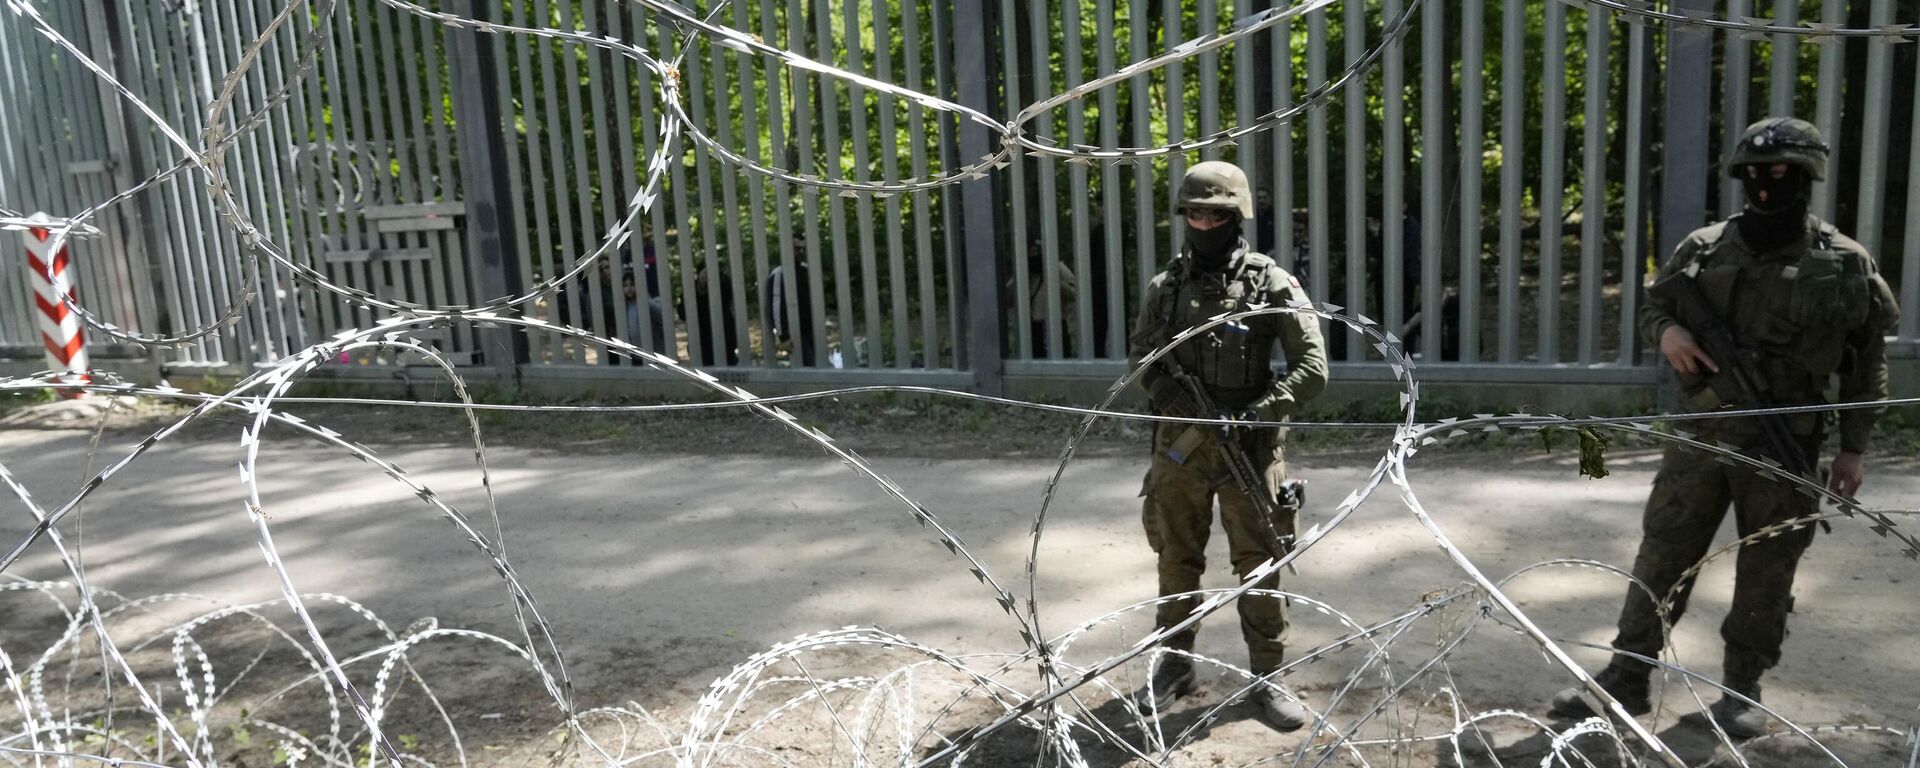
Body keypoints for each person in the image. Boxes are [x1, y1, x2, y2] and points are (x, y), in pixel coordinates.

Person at [1547, 117, 1899, 738]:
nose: (1768, 186)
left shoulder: (1844, 263)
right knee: (1663, 554)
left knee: (1768, 568)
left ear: (1808, 177)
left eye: (1784, 173)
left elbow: (1868, 361)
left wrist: (1854, 449)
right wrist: (1670, 333)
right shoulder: (1704, 248)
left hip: (1785, 441)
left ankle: (1743, 688)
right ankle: (1626, 677)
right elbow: (1656, 306)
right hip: (1699, 438)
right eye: (1757, 174)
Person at [1126, 161, 1329, 732]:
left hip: (1250, 451)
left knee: (1261, 568)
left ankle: (1267, 679)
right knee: (1175, 561)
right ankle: (1173, 666)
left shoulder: (1271, 283)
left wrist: (1257, 413)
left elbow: (1313, 369)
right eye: (1194, 212)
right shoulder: (1166, 288)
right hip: (1180, 449)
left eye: (1215, 213)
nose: (1203, 221)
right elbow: (1142, 356)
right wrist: (1176, 397)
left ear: (1235, 215)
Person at [1009, 236, 1077, 358]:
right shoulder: (1023, 270)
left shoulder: (1058, 267)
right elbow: (1009, 296)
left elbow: (1074, 294)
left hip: (1057, 324)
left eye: (1037, 251)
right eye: (1031, 252)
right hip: (1033, 327)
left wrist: (1058, 283)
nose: (1035, 255)